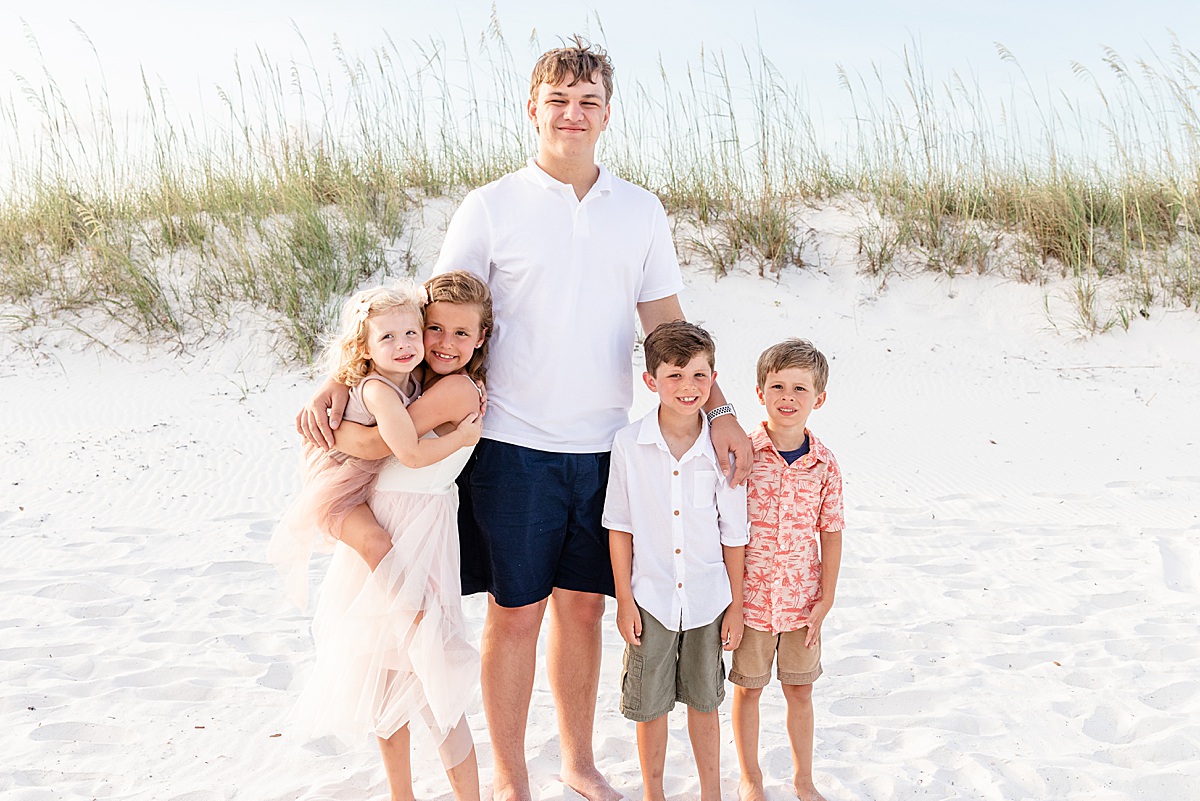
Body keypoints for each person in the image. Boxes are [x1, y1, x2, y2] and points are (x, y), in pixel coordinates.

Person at [298, 38, 752, 801]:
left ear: (608, 113)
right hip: (510, 445)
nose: (572, 114)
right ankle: (509, 779)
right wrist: (339, 379)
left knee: (582, 610)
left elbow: (669, 323)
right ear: (533, 108)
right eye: (558, 100)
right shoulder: (491, 205)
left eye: (588, 102)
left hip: (606, 443)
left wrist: (724, 408)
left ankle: (577, 763)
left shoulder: (640, 211)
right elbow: (427, 315)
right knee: (515, 613)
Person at [274, 277, 492, 801]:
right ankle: (401, 794)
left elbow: (376, 443)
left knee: (435, 682)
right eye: (433, 328)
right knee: (387, 675)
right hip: (384, 530)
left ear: (482, 338)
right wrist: (334, 382)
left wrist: (337, 424)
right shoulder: (407, 375)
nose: (441, 342)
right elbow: (369, 377)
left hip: (417, 538)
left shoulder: (456, 389)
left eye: (459, 333)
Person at [603, 321, 748, 801]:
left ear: (714, 379)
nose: (688, 387)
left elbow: (734, 533)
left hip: (709, 598)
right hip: (650, 597)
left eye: (700, 376)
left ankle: (712, 793)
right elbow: (619, 525)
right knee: (650, 706)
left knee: (705, 703)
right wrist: (625, 600)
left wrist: (737, 606)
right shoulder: (629, 443)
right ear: (651, 381)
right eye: (675, 376)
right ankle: (654, 794)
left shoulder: (722, 448)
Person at [729, 339, 845, 801]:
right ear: (760, 392)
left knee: (800, 692)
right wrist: (733, 601)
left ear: (818, 398)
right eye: (777, 386)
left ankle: (803, 778)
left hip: (802, 605)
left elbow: (831, 532)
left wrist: (827, 598)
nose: (787, 397)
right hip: (752, 602)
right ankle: (750, 777)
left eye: (800, 388)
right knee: (749, 691)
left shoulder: (825, 465)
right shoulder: (745, 454)